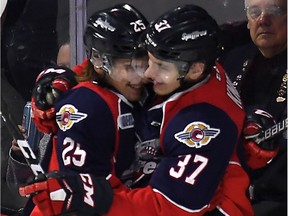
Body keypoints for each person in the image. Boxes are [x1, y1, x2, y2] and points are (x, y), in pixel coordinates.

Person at [20, 5, 254, 216]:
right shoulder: (191, 67)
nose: (146, 75)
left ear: (194, 69)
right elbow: (101, 72)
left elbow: (170, 207)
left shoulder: (203, 121)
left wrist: (94, 197)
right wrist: (61, 82)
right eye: (146, 60)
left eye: (158, 65)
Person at [14, 3, 149, 216]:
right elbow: (80, 201)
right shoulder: (86, 106)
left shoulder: (136, 90)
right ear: (99, 62)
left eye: (145, 63)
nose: (141, 75)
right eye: (129, 67)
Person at [220, 0, 287, 215]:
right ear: (247, 21)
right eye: (255, 12)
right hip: (231, 189)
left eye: (275, 11)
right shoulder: (230, 59)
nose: (263, 20)